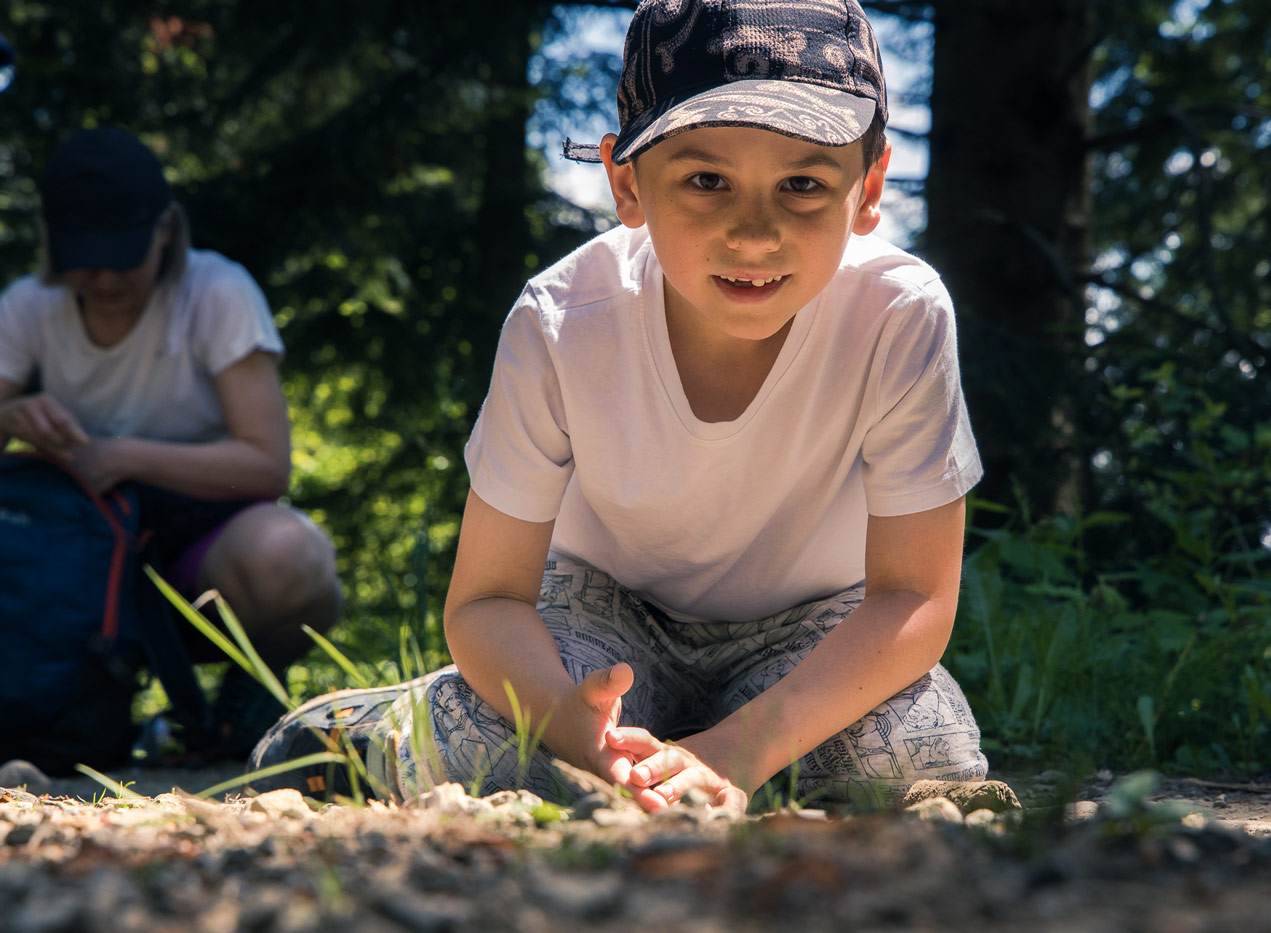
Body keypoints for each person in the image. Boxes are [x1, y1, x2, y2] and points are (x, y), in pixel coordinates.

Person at [252, 0, 989, 811]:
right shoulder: (562, 320)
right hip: (600, 611)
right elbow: (488, 598)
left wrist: (737, 750)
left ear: (869, 187)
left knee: (923, 750)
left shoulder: (898, 313)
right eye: (707, 180)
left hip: (811, 624)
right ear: (626, 182)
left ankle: (701, 747)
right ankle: (363, 732)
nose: (754, 232)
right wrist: (572, 731)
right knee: (490, 737)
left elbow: (912, 596)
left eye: (804, 184)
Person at [0, 126, 342, 759]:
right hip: (73, 550)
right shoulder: (27, 306)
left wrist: (123, 457)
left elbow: (266, 464)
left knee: (293, 557)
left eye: (122, 253)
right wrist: (14, 414)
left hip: (198, 544)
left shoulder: (216, 291)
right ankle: (60, 710)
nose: (103, 276)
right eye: (85, 256)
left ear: (165, 230)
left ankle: (240, 705)